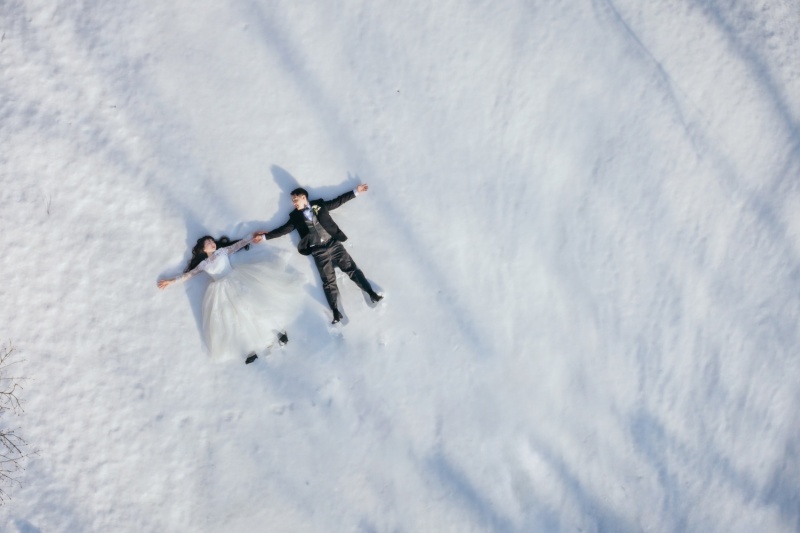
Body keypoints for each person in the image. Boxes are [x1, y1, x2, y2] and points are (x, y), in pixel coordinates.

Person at [158, 234, 303, 363]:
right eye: (208, 242)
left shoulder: (222, 251)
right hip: (221, 292)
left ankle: (279, 331)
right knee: (238, 317)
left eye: (212, 241)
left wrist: (251, 237)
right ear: (203, 249)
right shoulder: (203, 264)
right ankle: (255, 347)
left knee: (255, 306)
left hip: (237, 280)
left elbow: (238, 245)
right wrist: (170, 281)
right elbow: (188, 275)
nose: (212, 243)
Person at [255, 184, 382, 324]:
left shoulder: (319, 205)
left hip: (334, 244)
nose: (294, 203)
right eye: (293, 201)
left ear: (304, 198)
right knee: (328, 282)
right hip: (318, 251)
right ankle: (335, 311)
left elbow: (338, 201)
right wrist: (265, 237)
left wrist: (355, 192)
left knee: (351, 269)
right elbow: (284, 229)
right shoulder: (295, 217)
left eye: (295, 200)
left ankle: (371, 294)